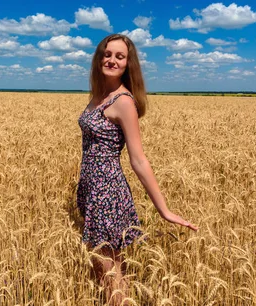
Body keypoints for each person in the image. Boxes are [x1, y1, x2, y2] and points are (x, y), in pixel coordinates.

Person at [77, 33, 198, 305]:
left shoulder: (123, 101)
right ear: (99, 58)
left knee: (109, 272)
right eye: (107, 54)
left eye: (119, 56)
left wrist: (164, 210)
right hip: (91, 188)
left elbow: (138, 159)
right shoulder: (99, 95)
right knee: (106, 267)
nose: (111, 60)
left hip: (107, 193)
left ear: (128, 64)